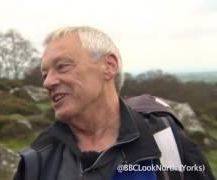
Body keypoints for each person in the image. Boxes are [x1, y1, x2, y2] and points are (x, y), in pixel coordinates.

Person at [14, 26, 214, 180]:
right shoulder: (37, 160)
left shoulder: (166, 139)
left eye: (62, 66)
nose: (48, 82)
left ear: (109, 66)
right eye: (45, 73)